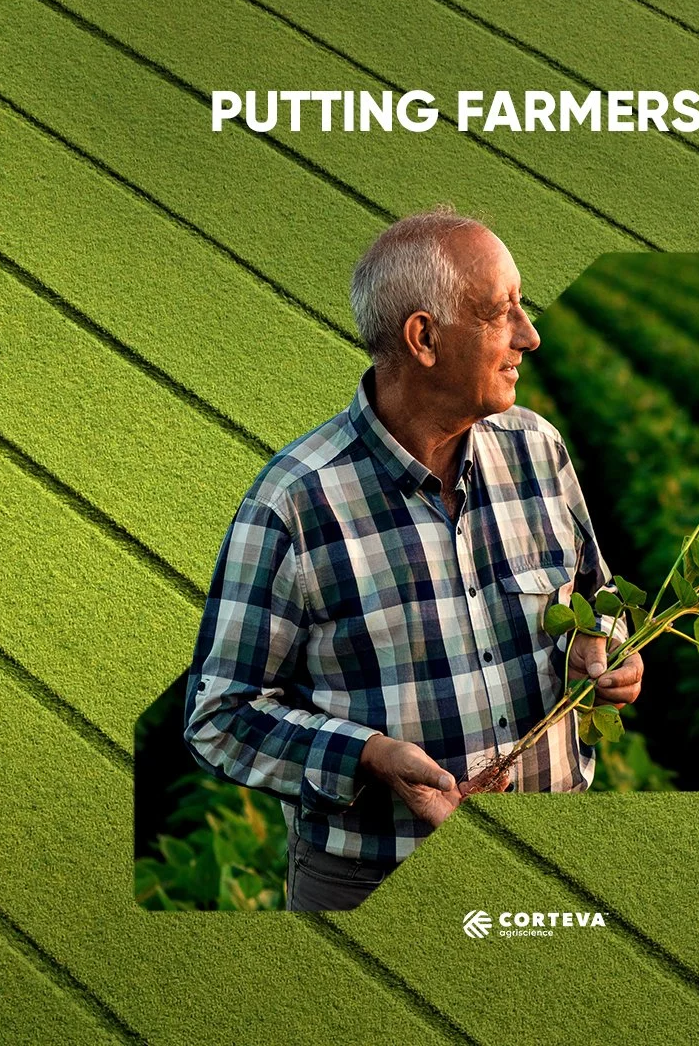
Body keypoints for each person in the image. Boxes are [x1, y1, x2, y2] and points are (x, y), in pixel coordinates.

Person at [184, 208, 643, 911]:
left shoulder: (539, 451)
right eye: (501, 313)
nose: (530, 335)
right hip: (376, 881)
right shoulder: (296, 502)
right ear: (424, 338)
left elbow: (598, 598)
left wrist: (604, 645)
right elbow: (221, 715)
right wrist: (366, 755)